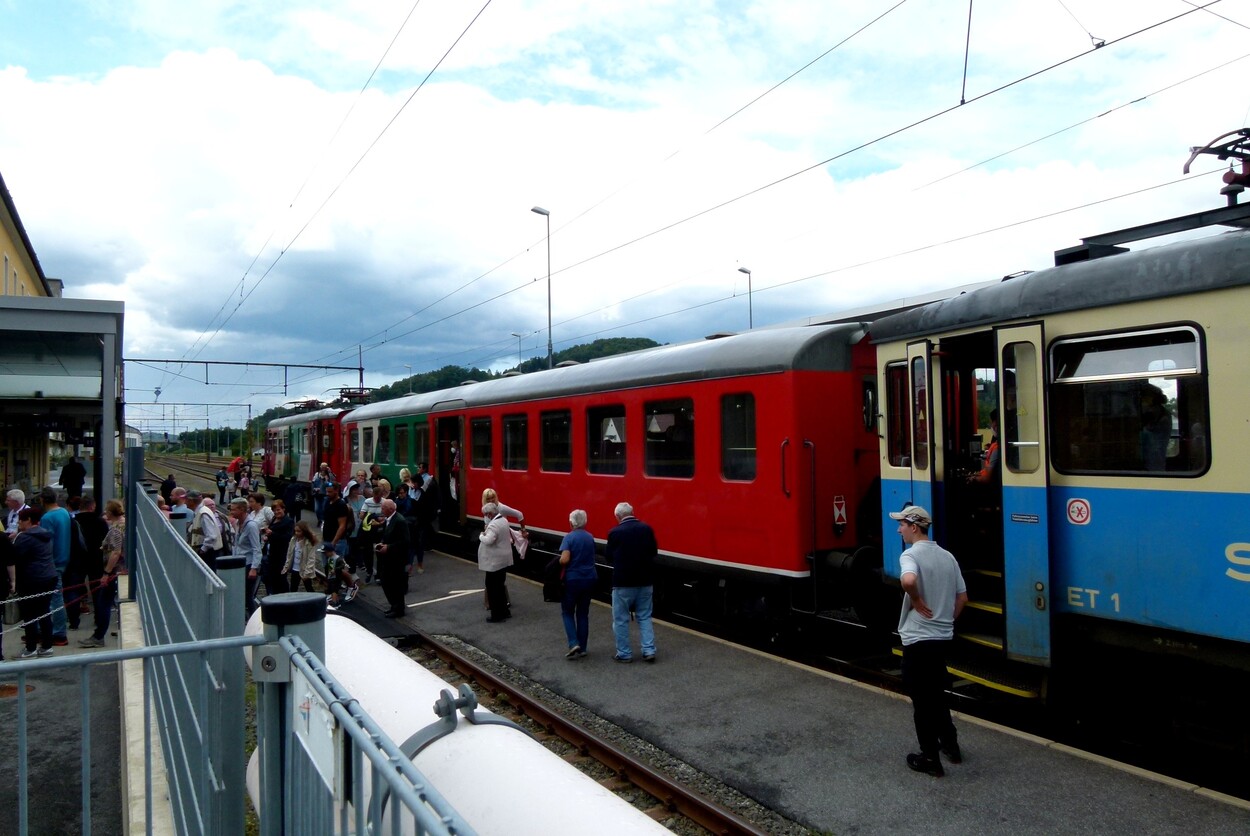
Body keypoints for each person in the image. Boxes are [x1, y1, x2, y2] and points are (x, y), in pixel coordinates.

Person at [890, 505, 968, 778]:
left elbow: (908, 580)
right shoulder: (947, 557)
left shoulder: (910, 555)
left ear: (913, 526)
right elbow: (962, 598)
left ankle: (930, 758)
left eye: (901, 524)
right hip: (941, 637)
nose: (899, 529)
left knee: (922, 700)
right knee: (937, 693)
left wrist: (917, 600)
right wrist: (947, 620)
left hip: (918, 638)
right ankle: (951, 747)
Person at [606, 501, 658, 663]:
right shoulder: (646, 529)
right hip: (645, 581)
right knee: (645, 616)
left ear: (617, 516)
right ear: (633, 512)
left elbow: (609, 557)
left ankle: (624, 653)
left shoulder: (614, 533)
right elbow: (653, 552)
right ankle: (649, 650)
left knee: (621, 619)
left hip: (622, 583)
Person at [78, 500, 126, 649]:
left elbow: (115, 552)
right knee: (107, 601)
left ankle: (99, 636)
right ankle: (99, 634)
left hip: (114, 571)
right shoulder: (124, 524)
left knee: (103, 602)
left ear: (111, 513)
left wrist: (106, 572)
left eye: (106, 510)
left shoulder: (116, 529)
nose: (104, 513)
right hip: (121, 570)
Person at [12, 507, 58, 657]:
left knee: (29, 614)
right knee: (44, 612)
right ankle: (47, 646)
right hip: (49, 576)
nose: (19, 523)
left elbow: (14, 557)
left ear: (29, 521)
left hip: (31, 580)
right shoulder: (46, 535)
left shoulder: (24, 538)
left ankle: (30, 647)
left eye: (21, 520)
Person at [558, 509, 596, 659]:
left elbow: (565, 559)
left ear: (571, 522)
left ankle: (573, 642)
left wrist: (559, 560)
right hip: (589, 578)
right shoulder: (590, 537)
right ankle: (584, 647)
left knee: (567, 612)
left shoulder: (569, 538)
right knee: (583, 614)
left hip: (573, 580)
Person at [39, 487, 72, 645]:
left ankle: (58, 633)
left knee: (54, 598)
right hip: (64, 557)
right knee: (58, 596)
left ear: (42, 500)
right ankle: (56, 630)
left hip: (52, 562)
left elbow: (46, 542)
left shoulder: (47, 518)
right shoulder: (64, 512)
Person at [321, 483, 358, 610]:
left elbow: (342, 525)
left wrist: (334, 542)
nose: (327, 494)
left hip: (336, 542)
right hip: (327, 540)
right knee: (329, 568)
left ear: (337, 491)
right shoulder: (327, 502)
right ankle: (334, 592)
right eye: (327, 491)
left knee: (335, 569)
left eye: (330, 491)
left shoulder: (341, 505)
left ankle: (348, 587)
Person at [376, 498, 412, 618]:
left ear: (390, 509)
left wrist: (389, 547)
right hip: (388, 558)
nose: (381, 510)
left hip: (396, 559)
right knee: (387, 582)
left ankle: (398, 609)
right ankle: (394, 606)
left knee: (395, 584)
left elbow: (405, 542)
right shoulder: (389, 520)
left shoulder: (400, 521)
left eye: (383, 508)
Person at [478, 502, 513, 623]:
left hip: (494, 562)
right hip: (503, 560)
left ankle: (496, 614)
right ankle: (505, 611)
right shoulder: (503, 520)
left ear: (490, 514)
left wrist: (481, 535)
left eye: (486, 514)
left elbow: (488, 540)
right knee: (500, 585)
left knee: (492, 587)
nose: (486, 516)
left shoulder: (493, 525)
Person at [231, 497, 263, 620]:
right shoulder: (239, 523)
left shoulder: (251, 526)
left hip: (248, 564)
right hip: (240, 563)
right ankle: (245, 617)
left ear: (242, 510)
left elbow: (256, 548)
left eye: (234, 510)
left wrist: (254, 568)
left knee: (247, 594)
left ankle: (253, 619)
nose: (231, 512)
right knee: (241, 593)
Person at [262, 499, 293, 597]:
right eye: (274, 510)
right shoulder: (274, 519)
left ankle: (285, 597)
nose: (276, 512)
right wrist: (267, 536)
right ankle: (274, 595)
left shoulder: (288, 521)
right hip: (271, 553)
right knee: (271, 576)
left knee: (281, 577)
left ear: (283, 509)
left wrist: (272, 534)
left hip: (281, 554)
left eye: (278, 510)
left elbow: (288, 537)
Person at [187, 490, 224, 570]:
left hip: (209, 553)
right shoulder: (202, 511)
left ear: (190, 501)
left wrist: (202, 550)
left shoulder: (203, 513)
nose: (185, 502)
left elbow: (212, 536)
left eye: (186, 500)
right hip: (209, 552)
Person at [283, 520, 320, 593]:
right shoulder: (293, 540)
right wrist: (286, 566)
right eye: (295, 531)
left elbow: (311, 558)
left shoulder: (308, 542)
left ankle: (315, 601)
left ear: (304, 531)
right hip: (295, 569)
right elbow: (289, 554)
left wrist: (307, 572)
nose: (296, 533)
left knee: (308, 587)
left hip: (304, 569)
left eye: (299, 531)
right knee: (293, 588)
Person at [968, 410, 1000, 485]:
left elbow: (987, 479)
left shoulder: (997, 449)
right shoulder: (996, 444)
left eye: (991, 422)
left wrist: (974, 479)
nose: (991, 425)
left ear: (996, 425)